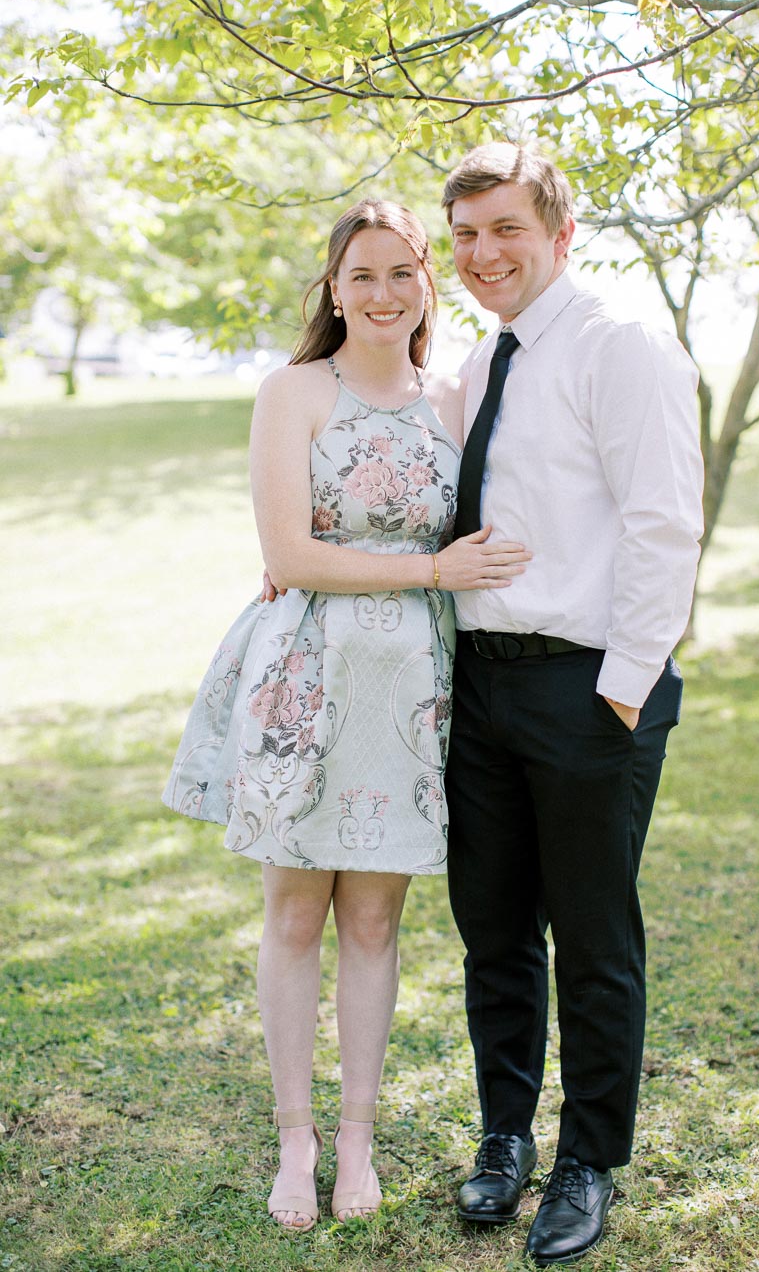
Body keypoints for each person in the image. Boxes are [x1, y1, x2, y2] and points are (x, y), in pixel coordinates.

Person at [163, 199, 530, 1233]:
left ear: (427, 284)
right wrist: (429, 571)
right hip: (306, 677)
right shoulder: (294, 393)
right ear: (334, 288)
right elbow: (289, 554)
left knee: (373, 922)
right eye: (361, 275)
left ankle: (357, 1140)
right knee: (294, 916)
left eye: (402, 272)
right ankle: (297, 1142)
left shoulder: (454, 397)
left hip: (410, 693)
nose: (382, 293)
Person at [441, 143, 705, 1267]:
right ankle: (504, 1137)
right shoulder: (479, 360)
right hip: (481, 686)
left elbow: (663, 520)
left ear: (561, 232)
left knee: (595, 936)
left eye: (506, 228)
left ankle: (588, 1159)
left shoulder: (620, 343)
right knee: (494, 933)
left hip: (588, 687)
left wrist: (623, 690)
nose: (483, 254)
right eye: (465, 235)